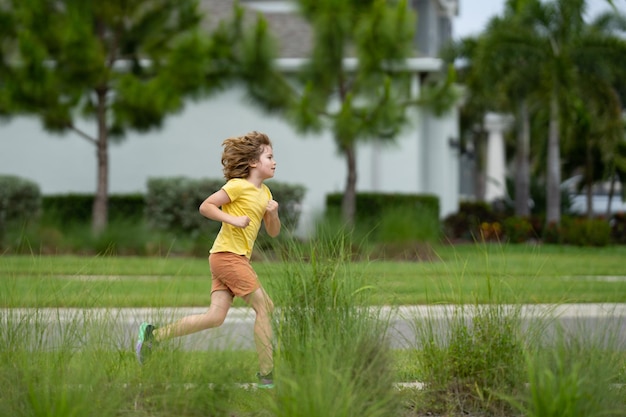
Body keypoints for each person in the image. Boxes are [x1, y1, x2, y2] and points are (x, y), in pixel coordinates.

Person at [135, 131, 280, 389]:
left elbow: (273, 231)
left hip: (228, 258)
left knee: (215, 317)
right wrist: (233, 219)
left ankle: (153, 336)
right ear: (254, 163)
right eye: (269, 156)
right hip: (228, 257)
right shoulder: (237, 186)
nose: (274, 161)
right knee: (265, 307)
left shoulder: (265, 193)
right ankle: (267, 376)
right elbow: (206, 206)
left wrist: (273, 213)